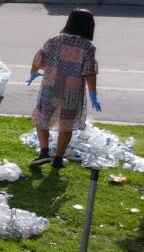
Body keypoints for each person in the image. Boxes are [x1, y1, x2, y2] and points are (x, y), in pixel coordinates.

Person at [28, 9, 101, 169]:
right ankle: (58, 159)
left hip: (50, 87)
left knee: (42, 118)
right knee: (66, 124)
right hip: (72, 92)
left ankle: (44, 152)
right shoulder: (88, 47)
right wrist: (93, 93)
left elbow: (38, 59)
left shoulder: (53, 40)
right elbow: (89, 71)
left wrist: (33, 73)